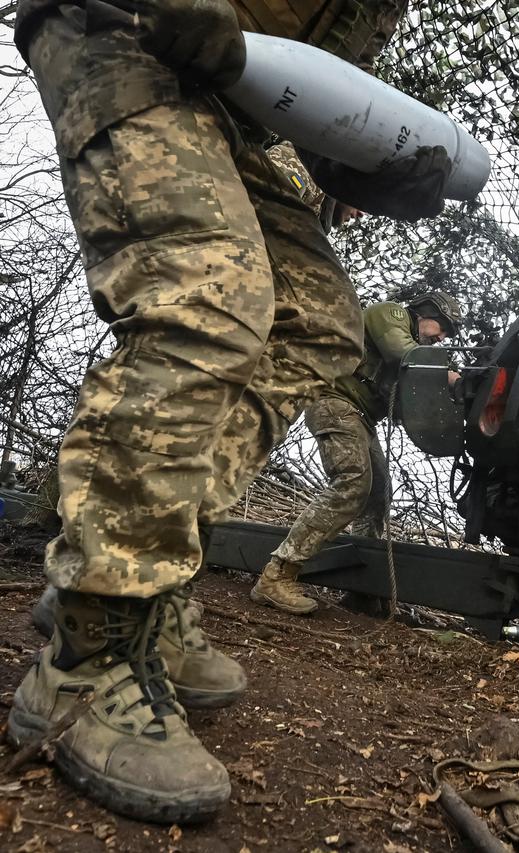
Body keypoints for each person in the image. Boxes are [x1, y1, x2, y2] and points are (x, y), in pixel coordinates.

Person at [7, 0, 449, 823]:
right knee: (208, 298)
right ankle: (86, 651)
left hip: (216, 90)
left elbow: (297, 71)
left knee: (317, 325)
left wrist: (353, 157)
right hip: (119, 28)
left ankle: (149, 575)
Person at [251, 291, 462, 615]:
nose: (442, 337)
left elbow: (411, 408)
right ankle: (277, 575)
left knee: (378, 494)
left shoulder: (414, 362)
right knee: (353, 483)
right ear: (425, 313)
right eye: (443, 327)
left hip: (361, 418)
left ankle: (360, 590)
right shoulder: (390, 315)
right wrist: (449, 377)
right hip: (335, 402)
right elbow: (400, 350)